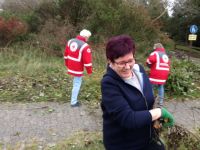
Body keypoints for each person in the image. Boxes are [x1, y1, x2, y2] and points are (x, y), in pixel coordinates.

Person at [101, 35, 174, 150]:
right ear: (110, 61)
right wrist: (159, 112)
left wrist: (156, 120)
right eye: (121, 63)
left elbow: (147, 100)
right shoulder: (109, 83)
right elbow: (128, 118)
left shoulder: (139, 69)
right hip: (124, 144)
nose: (127, 67)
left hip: (147, 138)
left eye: (130, 60)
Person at [64, 29, 92, 107]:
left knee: (75, 82)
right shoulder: (85, 46)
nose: (88, 39)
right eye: (88, 37)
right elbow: (87, 61)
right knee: (77, 83)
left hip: (71, 65)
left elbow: (66, 54)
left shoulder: (70, 41)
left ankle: (73, 100)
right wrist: (89, 71)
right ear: (85, 37)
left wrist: (67, 64)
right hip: (78, 68)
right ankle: (73, 102)